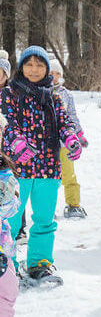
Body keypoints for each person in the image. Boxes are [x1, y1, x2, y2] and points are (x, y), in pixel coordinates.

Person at [2, 45, 81, 285]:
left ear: (46, 68)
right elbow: (6, 124)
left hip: (48, 168)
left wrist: (71, 139)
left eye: (39, 64)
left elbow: (65, 123)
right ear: (21, 67)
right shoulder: (9, 94)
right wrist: (17, 144)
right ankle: (9, 266)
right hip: (18, 169)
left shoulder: (54, 96)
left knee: (45, 220)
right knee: (11, 220)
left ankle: (40, 263)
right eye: (29, 64)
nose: (34, 69)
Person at [49, 59, 89, 218]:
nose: (54, 76)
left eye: (57, 73)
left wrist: (79, 134)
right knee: (49, 179)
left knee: (69, 175)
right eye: (51, 73)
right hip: (47, 144)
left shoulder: (66, 94)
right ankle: (47, 208)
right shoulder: (41, 91)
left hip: (65, 143)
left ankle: (74, 205)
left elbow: (72, 116)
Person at [0, 51, 25, 246]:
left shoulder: (9, 94)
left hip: (7, 148)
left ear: (5, 75)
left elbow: (13, 121)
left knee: (11, 186)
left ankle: (19, 226)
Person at [0, 112, 20, 316]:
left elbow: (13, 207)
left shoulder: (4, 168)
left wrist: (8, 199)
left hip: (1, 245)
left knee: (7, 292)